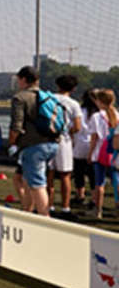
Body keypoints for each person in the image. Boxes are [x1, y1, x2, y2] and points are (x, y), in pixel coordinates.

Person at [8, 65, 59, 217]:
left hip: (33, 145)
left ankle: (45, 217)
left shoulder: (20, 97)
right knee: (28, 179)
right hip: (52, 143)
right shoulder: (49, 96)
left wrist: (12, 143)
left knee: (37, 184)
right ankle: (27, 212)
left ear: (23, 79)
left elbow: (16, 125)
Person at [46, 74, 83, 216]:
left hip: (48, 138)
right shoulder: (73, 104)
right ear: (73, 88)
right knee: (65, 175)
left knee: (49, 174)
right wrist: (68, 131)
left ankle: (49, 205)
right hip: (64, 140)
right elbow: (78, 126)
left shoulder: (49, 99)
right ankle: (65, 207)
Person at [86, 89, 119, 221]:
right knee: (116, 181)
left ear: (99, 101)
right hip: (114, 155)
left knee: (99, 183)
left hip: (100, 153)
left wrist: (90, 153)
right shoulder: (117, 115)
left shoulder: (96, 116)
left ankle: (98, 210)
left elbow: (94, 138)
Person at [72, 89, 99, 207]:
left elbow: (75, 128)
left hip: (79, 145)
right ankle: (94, 197)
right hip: (95, 146)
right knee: (93, 174)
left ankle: (80, 194)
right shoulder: (99, 114)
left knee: (79, 172)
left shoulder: (80, 112)